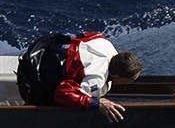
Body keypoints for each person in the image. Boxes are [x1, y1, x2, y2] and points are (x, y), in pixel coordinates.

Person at [15, 31, 144, 122]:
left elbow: (84, 36)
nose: (129, 83)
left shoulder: (104, 43)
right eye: (129, 80)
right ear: (117, 75)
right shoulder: (96, 80)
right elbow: (62, 93)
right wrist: (96, 103)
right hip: (31, 79)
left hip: (42, 48)